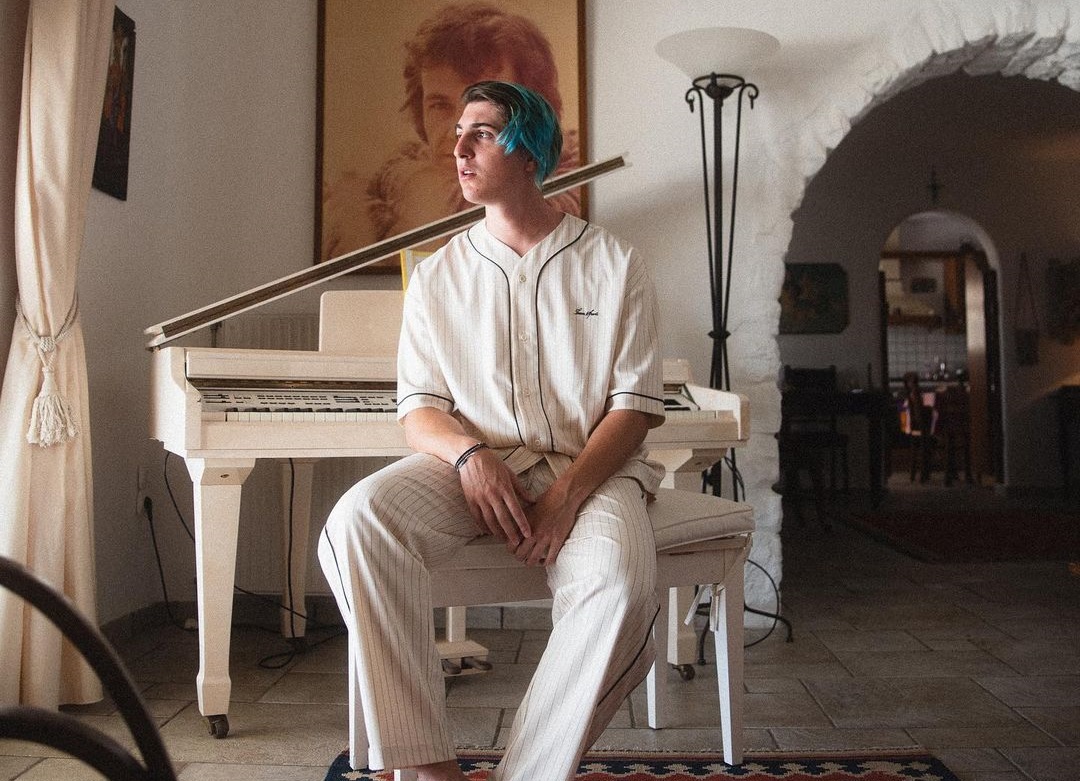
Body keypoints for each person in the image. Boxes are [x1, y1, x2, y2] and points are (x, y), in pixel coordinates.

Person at [319, 81, 666, 781]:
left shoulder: (615, 264)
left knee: (621, 584)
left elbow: (634, 407)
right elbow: (419, 410)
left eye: (481, 133)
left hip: (589, 469)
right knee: (356, 521)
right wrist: (470, 455)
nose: (460, 148)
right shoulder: (438, 276)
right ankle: (428, 767)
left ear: (531, 151)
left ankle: (528, 773)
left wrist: (565, 496)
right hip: (474, 467)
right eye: (458, 133)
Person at [320, 1, 581, 262]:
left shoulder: (575, 169)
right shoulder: (404, 166)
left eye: (488, 107)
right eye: (440, 106)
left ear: (533, 108)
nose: (457, 140)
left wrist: (424, 190)